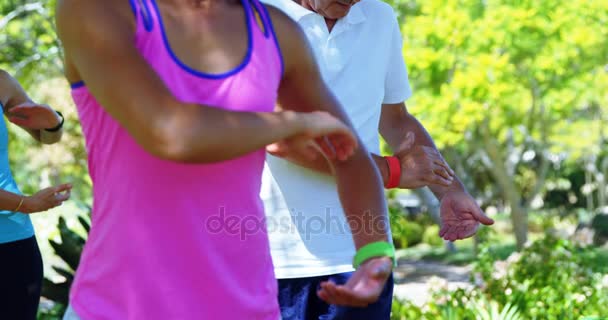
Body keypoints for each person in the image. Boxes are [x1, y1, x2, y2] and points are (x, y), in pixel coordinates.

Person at [56, 0, 397, 318]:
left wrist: (373, 253)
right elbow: (171, 134)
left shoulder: (274, 30)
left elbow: (348, 153)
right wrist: (291, 123)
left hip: (247, 304)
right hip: (119, 305)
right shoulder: (97, 9)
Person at [258, 0, 496, 318]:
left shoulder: (380, 17)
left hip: (362, 258)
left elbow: (396, 119)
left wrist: (449, 189)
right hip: (272, 262)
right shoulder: (253, 16)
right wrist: (390, 171)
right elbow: (275, 135)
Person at [0, 69, 72, 320]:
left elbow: (47, 136)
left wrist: (53, 122)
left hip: (14, 244)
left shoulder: (1, 82)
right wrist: (26, 204)